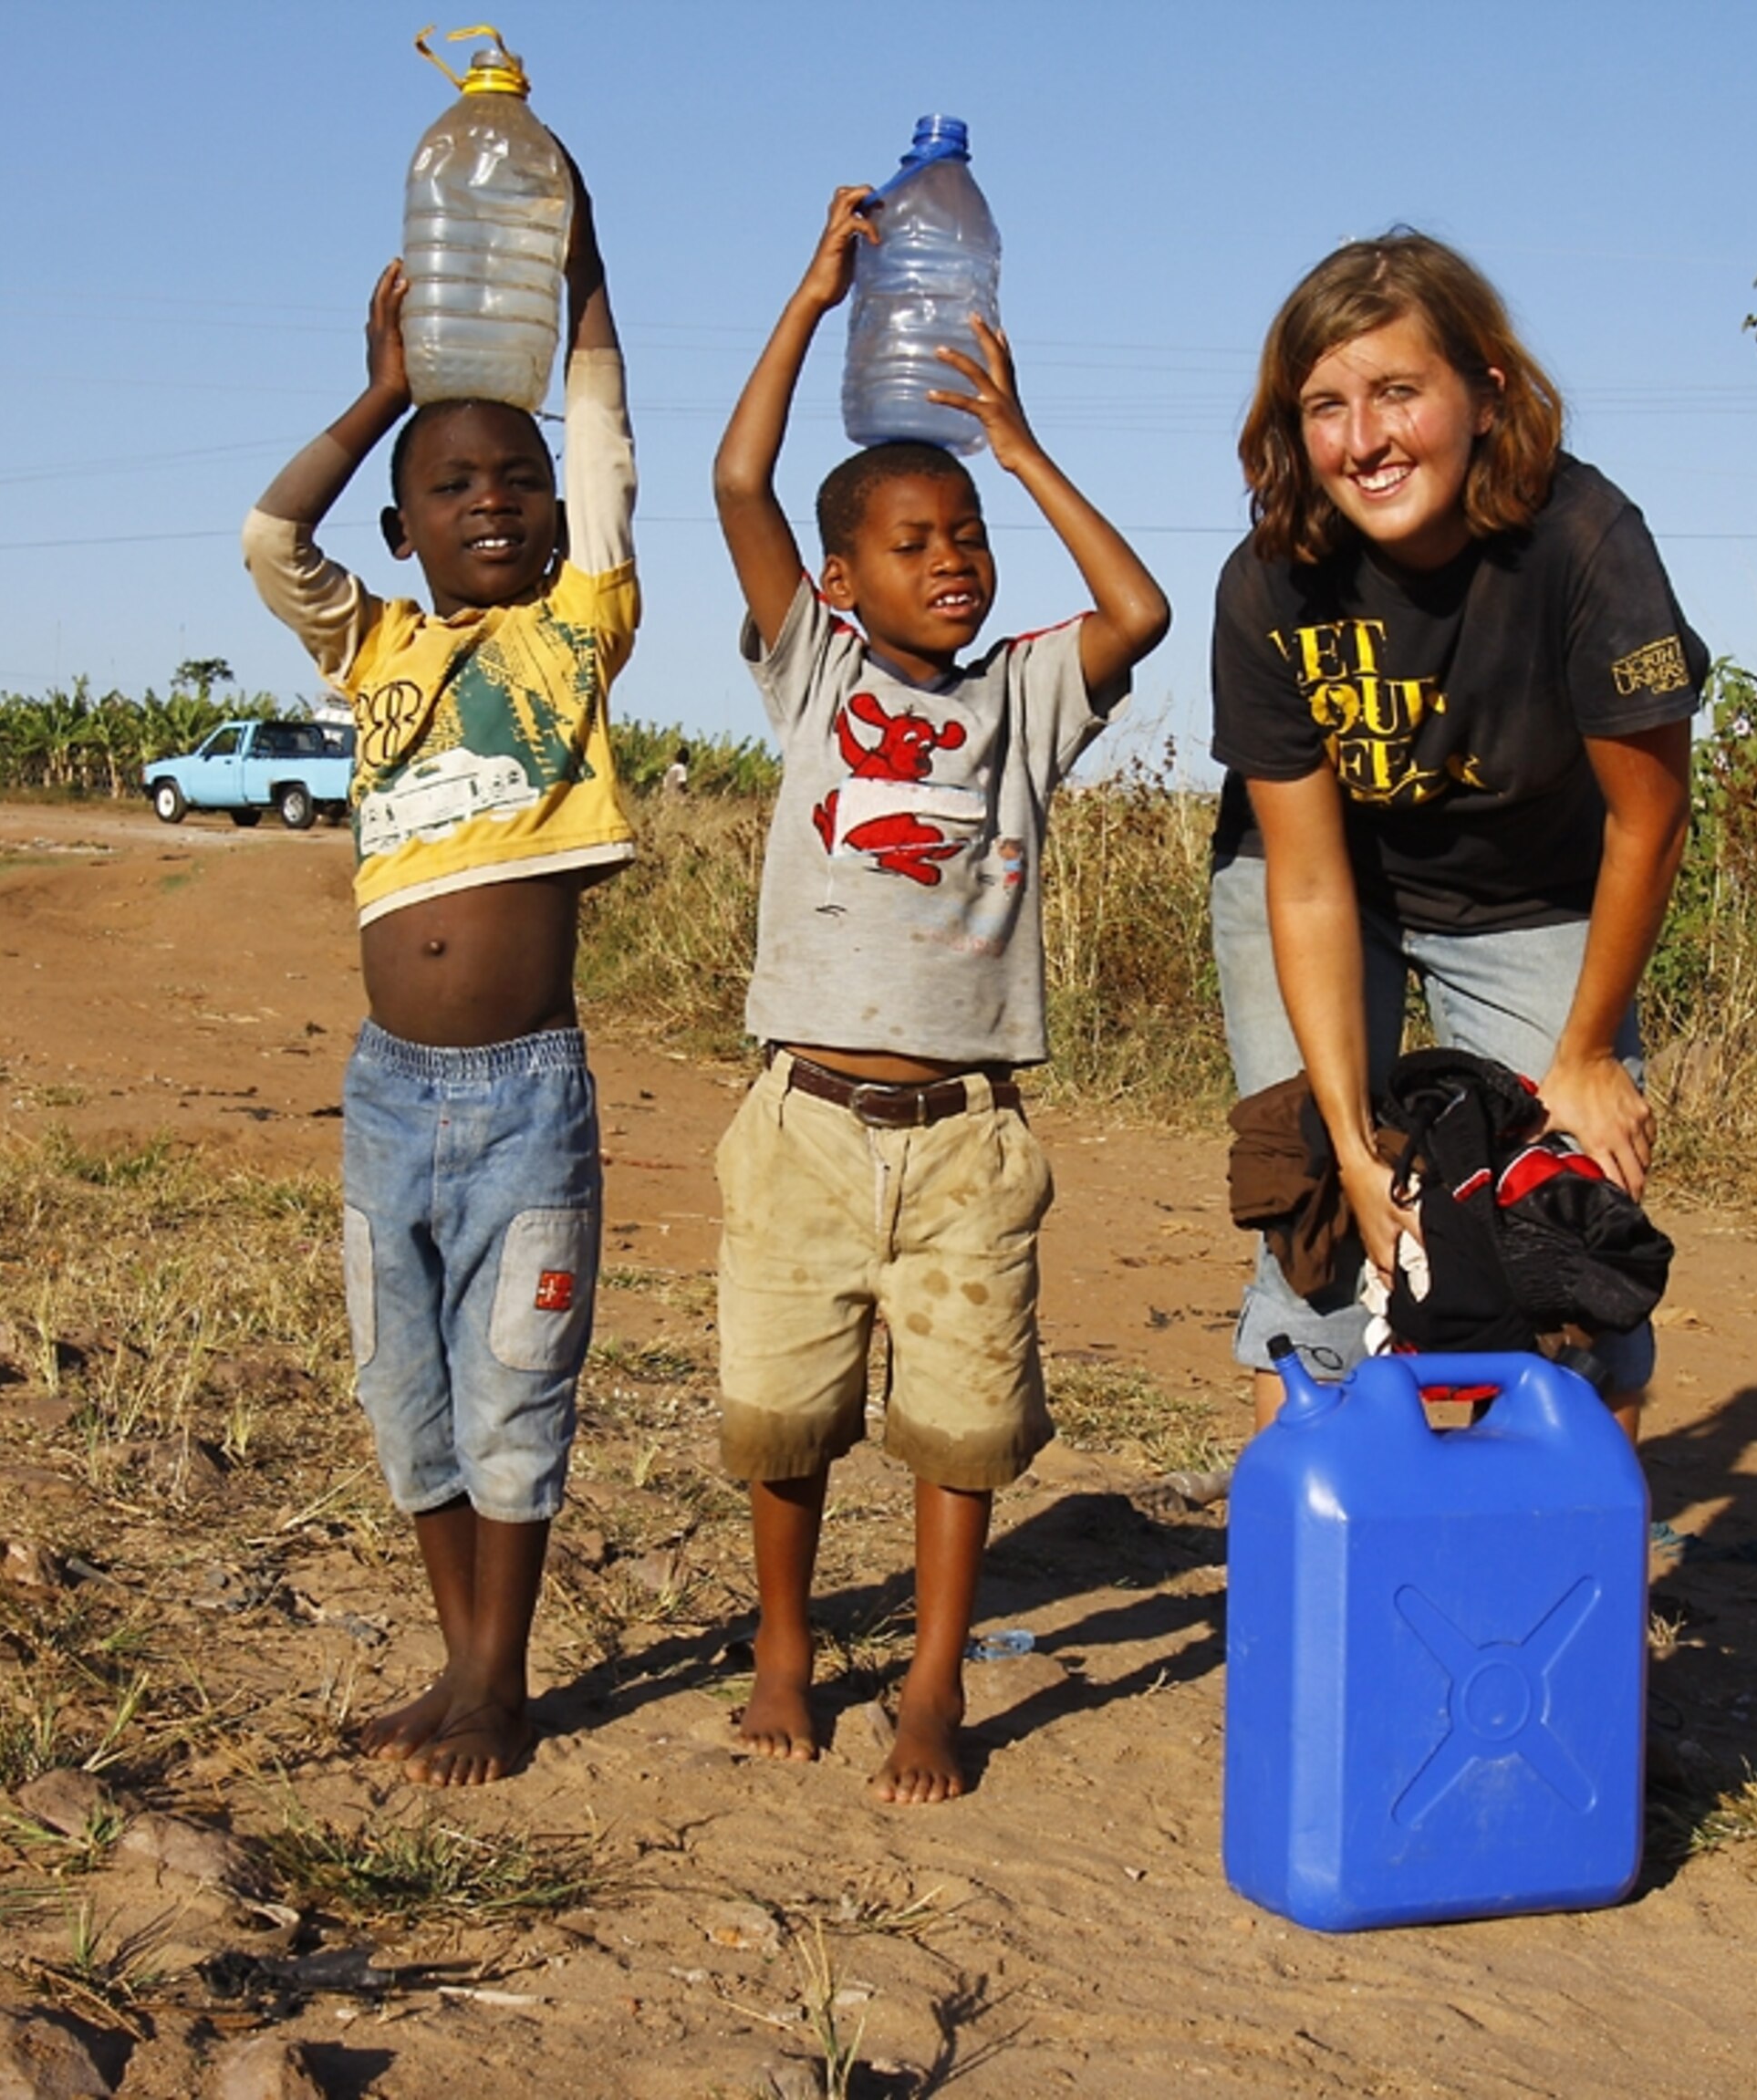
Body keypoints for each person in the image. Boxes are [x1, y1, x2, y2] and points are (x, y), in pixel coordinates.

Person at [710, 186, 1170, 1804]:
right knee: (781, 1412)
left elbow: (1140, 613)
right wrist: (813, 297)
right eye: (916, 545)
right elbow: (738, 478)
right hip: (806, 1125)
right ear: (844, 580)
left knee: (962, 1429)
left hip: (969, 1134)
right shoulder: (814, 673)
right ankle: (782, 1649)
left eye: (967, 537)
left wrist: (1021, 448)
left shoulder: (1029, 697)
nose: (955, 563)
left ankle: (928, 1685)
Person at [239, 152, 636, 1788]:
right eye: (454, 484)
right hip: (386, 1093)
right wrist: (380, 390)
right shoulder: (376, 645)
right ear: (401, 528)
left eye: (516, 481)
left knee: (513, 1388)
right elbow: (273, 539)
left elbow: (608, 437)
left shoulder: (576, 631)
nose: (491, 500)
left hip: (526, 1093)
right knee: (403, 1389)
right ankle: (458, 1660)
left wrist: (585, 267)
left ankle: (499, 1678)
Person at [1210, 230, 1701, 1441]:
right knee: (1323, 1220)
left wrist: (1585, 1053)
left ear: (1485, 393)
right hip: (1333, 890)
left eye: (1396, 392)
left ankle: (1566, 1579)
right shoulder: (1270, 582)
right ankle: (1326, 1560)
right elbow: (1310, 883)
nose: (1362, 438)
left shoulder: (1585, 542)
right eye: (1324, 405)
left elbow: (1651, 813)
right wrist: (1350, 1142)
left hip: (1535, 898)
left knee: (1562, 1224)